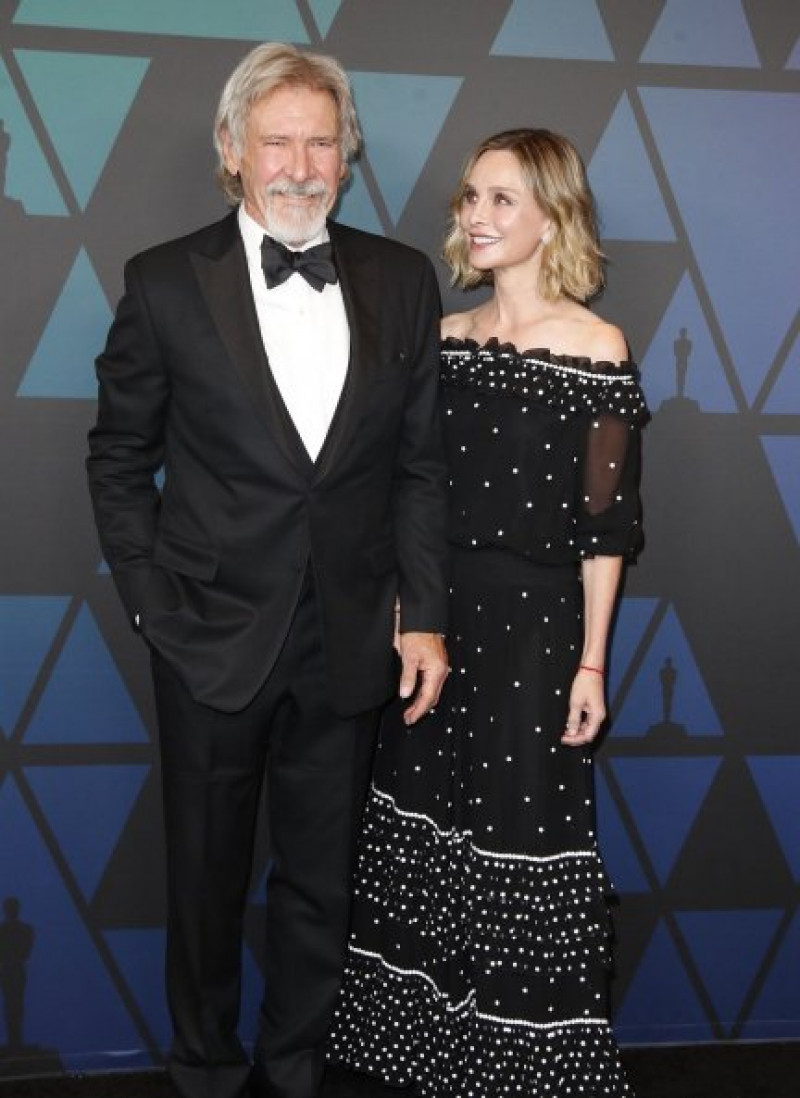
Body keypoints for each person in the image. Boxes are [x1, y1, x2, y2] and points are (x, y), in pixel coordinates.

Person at [86, 42, 449, 1098]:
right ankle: (200, 1070)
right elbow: (118, 458)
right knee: (203, 878)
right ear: (231, 152)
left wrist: (420, 616)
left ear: (346, 155)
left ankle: (292, 1071)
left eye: (321, 140)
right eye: (276, 139)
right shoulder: (163, 281)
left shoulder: (400, 278)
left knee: (319, 883)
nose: (300, 162)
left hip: (349, 635)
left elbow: (419, 466)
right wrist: (155, 605)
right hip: (206, 633)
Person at [329, 129, 649, 1096]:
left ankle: (523, 1065)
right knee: (423, 820)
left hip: (538, 628)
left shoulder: (598, 347)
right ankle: (421, 1050)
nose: (476, 215)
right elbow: (400, 494)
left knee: (524, 831)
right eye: (472, 196)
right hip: (433, 622)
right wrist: (401, 612)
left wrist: (592, 665)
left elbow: (606, 528)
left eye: (503, 199)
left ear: (554, 214)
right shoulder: (443, 337)